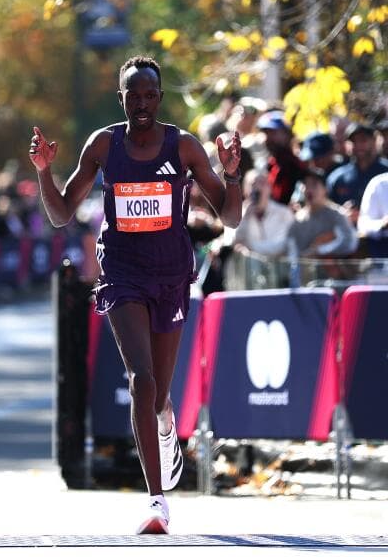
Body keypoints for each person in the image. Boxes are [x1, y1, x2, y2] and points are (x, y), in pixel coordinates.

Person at [29, 56, 243, 535]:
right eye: (133, 95)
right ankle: (157, 501)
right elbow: (62, 213)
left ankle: (167, 424)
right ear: (120, 97)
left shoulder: (183, 146)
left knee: (160, 393)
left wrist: (231, 174)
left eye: (150, 95)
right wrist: (44, 170)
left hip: (170, 275)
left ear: (159, 99)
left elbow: (229, 217)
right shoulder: (103, 144)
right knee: (141, 379)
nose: (141, 103)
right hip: (123, 272)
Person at [326, 123, 388, 227]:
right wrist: (341, 213)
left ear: (374, 141)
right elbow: (326, 207)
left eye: (363, 140)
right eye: (353, 141)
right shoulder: (337, 177)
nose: (358, 145)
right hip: (347, 236)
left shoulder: (385, 173)